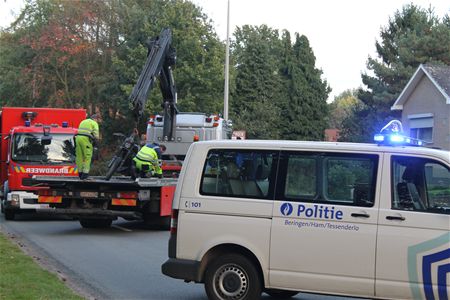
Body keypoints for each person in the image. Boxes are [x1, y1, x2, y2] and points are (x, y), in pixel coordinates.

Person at [75, 114, 100, 180]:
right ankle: (85, 175)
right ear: (96, 119)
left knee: (79, 157)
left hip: (78, 138)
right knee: (88, 156)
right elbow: (96, 135)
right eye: (98, 120)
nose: (97, 122)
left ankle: (80, 174)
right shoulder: (94, 123)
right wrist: (97, 142)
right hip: (85, 139)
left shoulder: (83, 121)